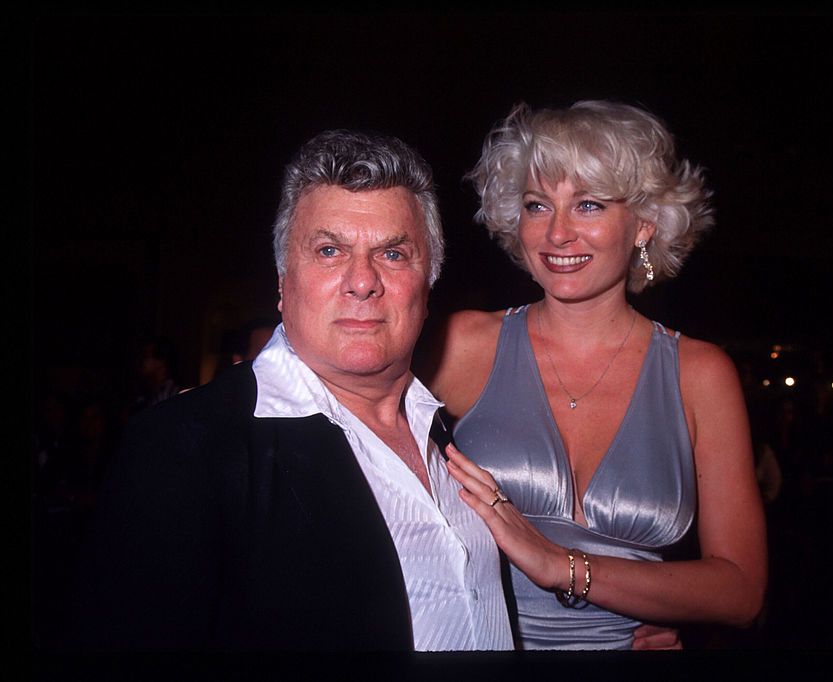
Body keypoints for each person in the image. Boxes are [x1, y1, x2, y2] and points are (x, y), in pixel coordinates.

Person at [67, 129, 514, 652]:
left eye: (393, 254)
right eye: (329, 250)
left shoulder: (452, 432)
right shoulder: (188, 447)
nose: (362, 280)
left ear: (428, 283)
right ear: (283, 283)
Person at [423, 101, 767, 649]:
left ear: (644, 224)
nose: (557, 233)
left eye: (587, 205)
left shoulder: (700, 375)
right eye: (538, 206)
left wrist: (564, 567)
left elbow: (740, 591)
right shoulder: (460, 346)